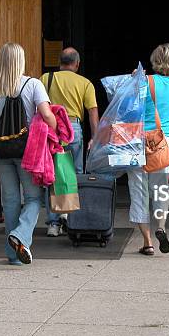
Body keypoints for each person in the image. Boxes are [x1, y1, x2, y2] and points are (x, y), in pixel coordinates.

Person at [0, 42, 57, 265]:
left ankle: (14, 256)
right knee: (33, 198)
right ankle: (20, 237)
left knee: (10, 201)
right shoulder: (33, 85)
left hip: (2, 150)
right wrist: (59, 132)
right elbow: (47, 115)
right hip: (28, 152)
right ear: (20, 61)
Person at [127, 43, 169, 256]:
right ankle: (161, 228)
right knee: (160, 191)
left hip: (139, 142)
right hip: (164, 144)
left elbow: (126, 106)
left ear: (155, 60)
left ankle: (147, 243)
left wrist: (133, 80)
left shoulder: (145, 81)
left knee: (139, 192)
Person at [40, 47, 99, 237]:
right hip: (74, 129)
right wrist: (95, 137)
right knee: (75, 173)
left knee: (53, 174)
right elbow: (92, 112)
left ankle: (53, 224)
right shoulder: (85, 83)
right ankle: (72, 219)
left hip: (52, 128)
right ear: (77, 64)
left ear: (60, 62)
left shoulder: (45, 79)